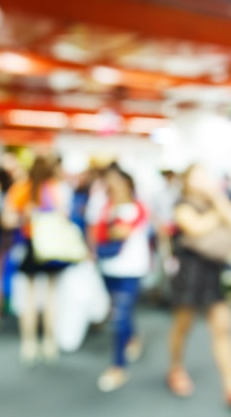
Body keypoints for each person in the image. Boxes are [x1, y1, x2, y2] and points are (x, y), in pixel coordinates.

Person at [167, 164, 231, 409]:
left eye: (205, 176)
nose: (203, 181)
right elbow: (195, 228)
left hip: (212, 272)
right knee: (182, 326)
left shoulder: (215, 203)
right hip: (189, 274)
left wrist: (217, 199)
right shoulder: (182, 205)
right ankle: (176, 368)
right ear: (187, 181)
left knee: (223, 328)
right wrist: (217, 213)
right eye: (197, 177)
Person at [1, 155, 70, 365]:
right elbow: (65, 216)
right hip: (51, 246)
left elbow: (7, 219)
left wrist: (26, 216)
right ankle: (49, 341)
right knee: (51, 296)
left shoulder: (22, 188)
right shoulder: (56, 189)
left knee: (30, 297)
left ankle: (29, 343)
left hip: (33, 245)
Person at [95, 166, 150, 392]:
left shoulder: (137, 207)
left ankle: (118, 366)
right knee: (121, 310)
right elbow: (101, 232)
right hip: (109, 266)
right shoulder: (105, 206)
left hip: (131, 268)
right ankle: (133, 337)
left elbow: (124, 231)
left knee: (120, 314)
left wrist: (114, 229)